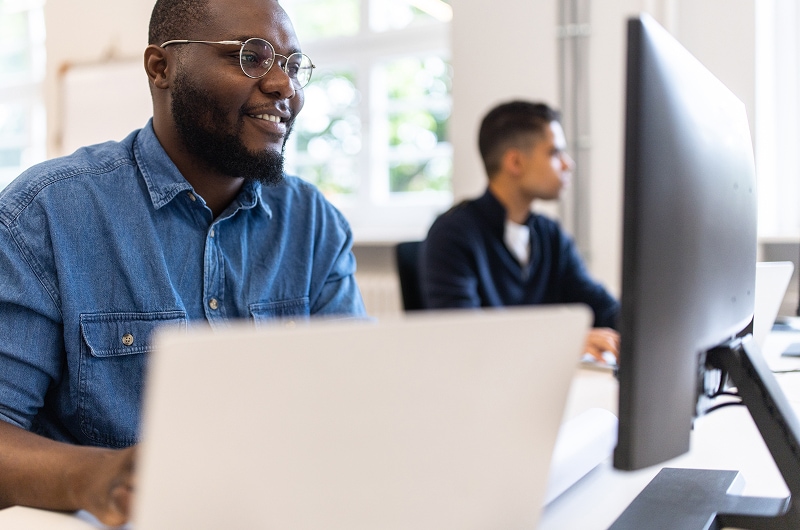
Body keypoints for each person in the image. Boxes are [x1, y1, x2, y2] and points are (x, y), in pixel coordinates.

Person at [0, 0, 365, 525]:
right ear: (160, 68)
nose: (284, 85)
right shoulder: (46, 214)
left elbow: (354, 404)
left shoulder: (312, 224)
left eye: (291, 64)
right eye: (251, 56)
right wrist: (100, 476)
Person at [419, 100, 619, 360]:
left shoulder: (550, 235)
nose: (568, 164)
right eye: (554, 153)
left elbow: (601, 306)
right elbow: (463, 337)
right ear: (515, 162)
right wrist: (562, 342)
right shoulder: (452, 235)